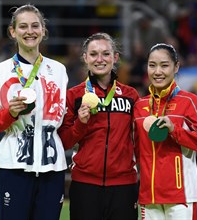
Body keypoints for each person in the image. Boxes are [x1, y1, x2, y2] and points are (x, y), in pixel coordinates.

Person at [0, 4, 68, 220]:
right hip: (13, 166)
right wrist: (10, 114)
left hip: (52, 166)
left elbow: (60, 117)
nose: (30, 31)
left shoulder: (58, 70)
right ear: (12, 32)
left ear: (43, 30)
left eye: (35, 26)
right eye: (23, 26)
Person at [58, 32, 139, 220]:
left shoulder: (131, 95)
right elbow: (64, 142)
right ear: (85, 58)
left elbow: (140, 139)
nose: (100, 59)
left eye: (106, 53)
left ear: (115, 57)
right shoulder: (74, 96)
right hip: (85, 185)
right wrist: (80, 123)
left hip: (124, 185)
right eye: (93, 54)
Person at [133, 43, 197, 220]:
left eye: (164, 65)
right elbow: (137, 151)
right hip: (149, 197)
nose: (157, 72)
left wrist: (174, 130)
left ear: (176, 67)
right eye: (152, 65)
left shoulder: (189, 101)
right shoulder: (140, 106)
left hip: (182, 196)